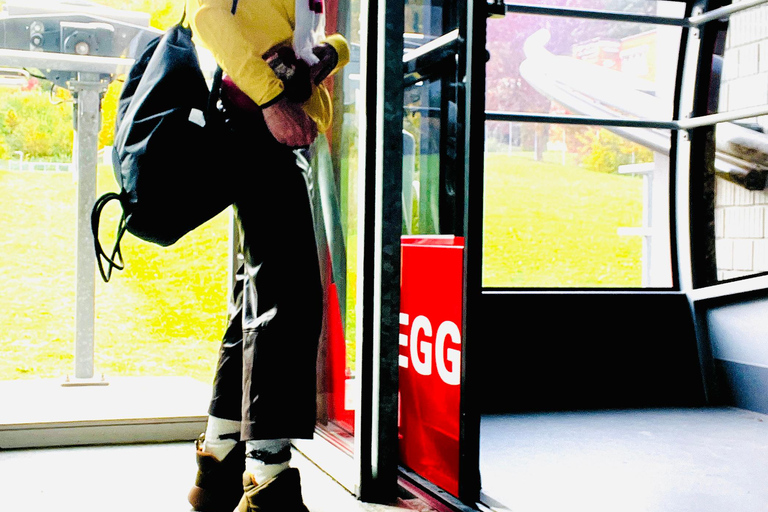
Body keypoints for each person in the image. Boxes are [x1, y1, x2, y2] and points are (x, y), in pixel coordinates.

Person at [182, 0, 349, 510]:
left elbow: (292, 39)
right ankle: (267, 475)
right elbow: (207, 15)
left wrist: (329, 53)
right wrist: (275, 99)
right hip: (255, 120)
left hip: (265, 120)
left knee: (260, 295)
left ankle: (220, 460)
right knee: (289, 295)